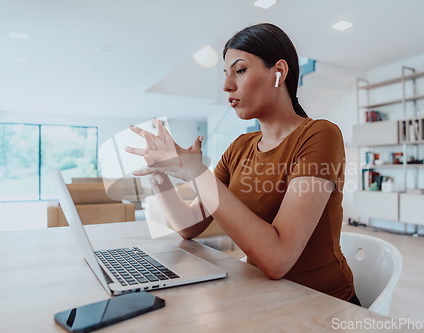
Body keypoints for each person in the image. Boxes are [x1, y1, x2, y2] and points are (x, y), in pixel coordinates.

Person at [126, 23, 360, 305]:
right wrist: (160, 172)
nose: (227, 86)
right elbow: (189, 226)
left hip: (321, 304)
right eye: (226, 75)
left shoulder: (319, 134)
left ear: (279, 72)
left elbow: (277, 259)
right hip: (262, 294)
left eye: (240, 70)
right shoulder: (240, 147)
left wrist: (196, 172)